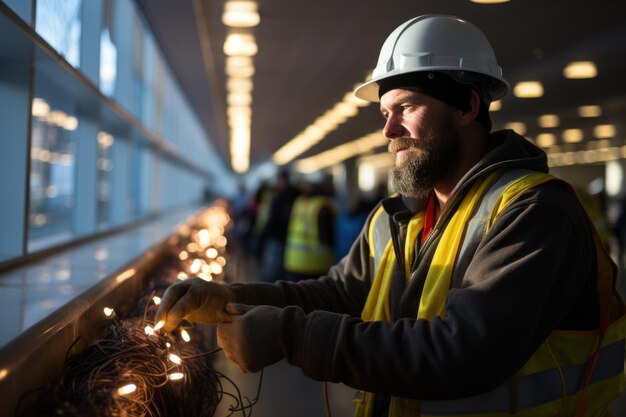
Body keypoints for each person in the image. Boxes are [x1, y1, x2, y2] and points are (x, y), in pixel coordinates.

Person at [156, 14, 626, 416]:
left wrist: (290, 334)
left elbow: (465, 351)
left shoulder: (533, 211)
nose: (388, 130)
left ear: (468, 106)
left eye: (405, 107)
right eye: (384, 111)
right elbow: (339, 292)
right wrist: (230, 296)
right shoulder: (396, 219)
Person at [283, 179, 337, 281]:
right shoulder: (323, 206)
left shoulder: (299, 202)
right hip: (317, 264)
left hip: (293, 261)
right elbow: (328, 237)